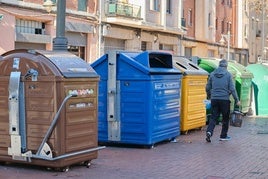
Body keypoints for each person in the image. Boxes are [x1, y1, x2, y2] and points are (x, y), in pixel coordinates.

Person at [205, 59, 240, 142]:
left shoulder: (212, 74)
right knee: (225, 118)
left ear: (219, 65)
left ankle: (209, 132)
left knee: (213, 117)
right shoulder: (228, 75)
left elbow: (207, 88)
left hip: (214, 99)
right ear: (226, 66)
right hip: (224, 99)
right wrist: (237, 100)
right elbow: (232, 89)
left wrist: (210, 96)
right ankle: (223, 136)